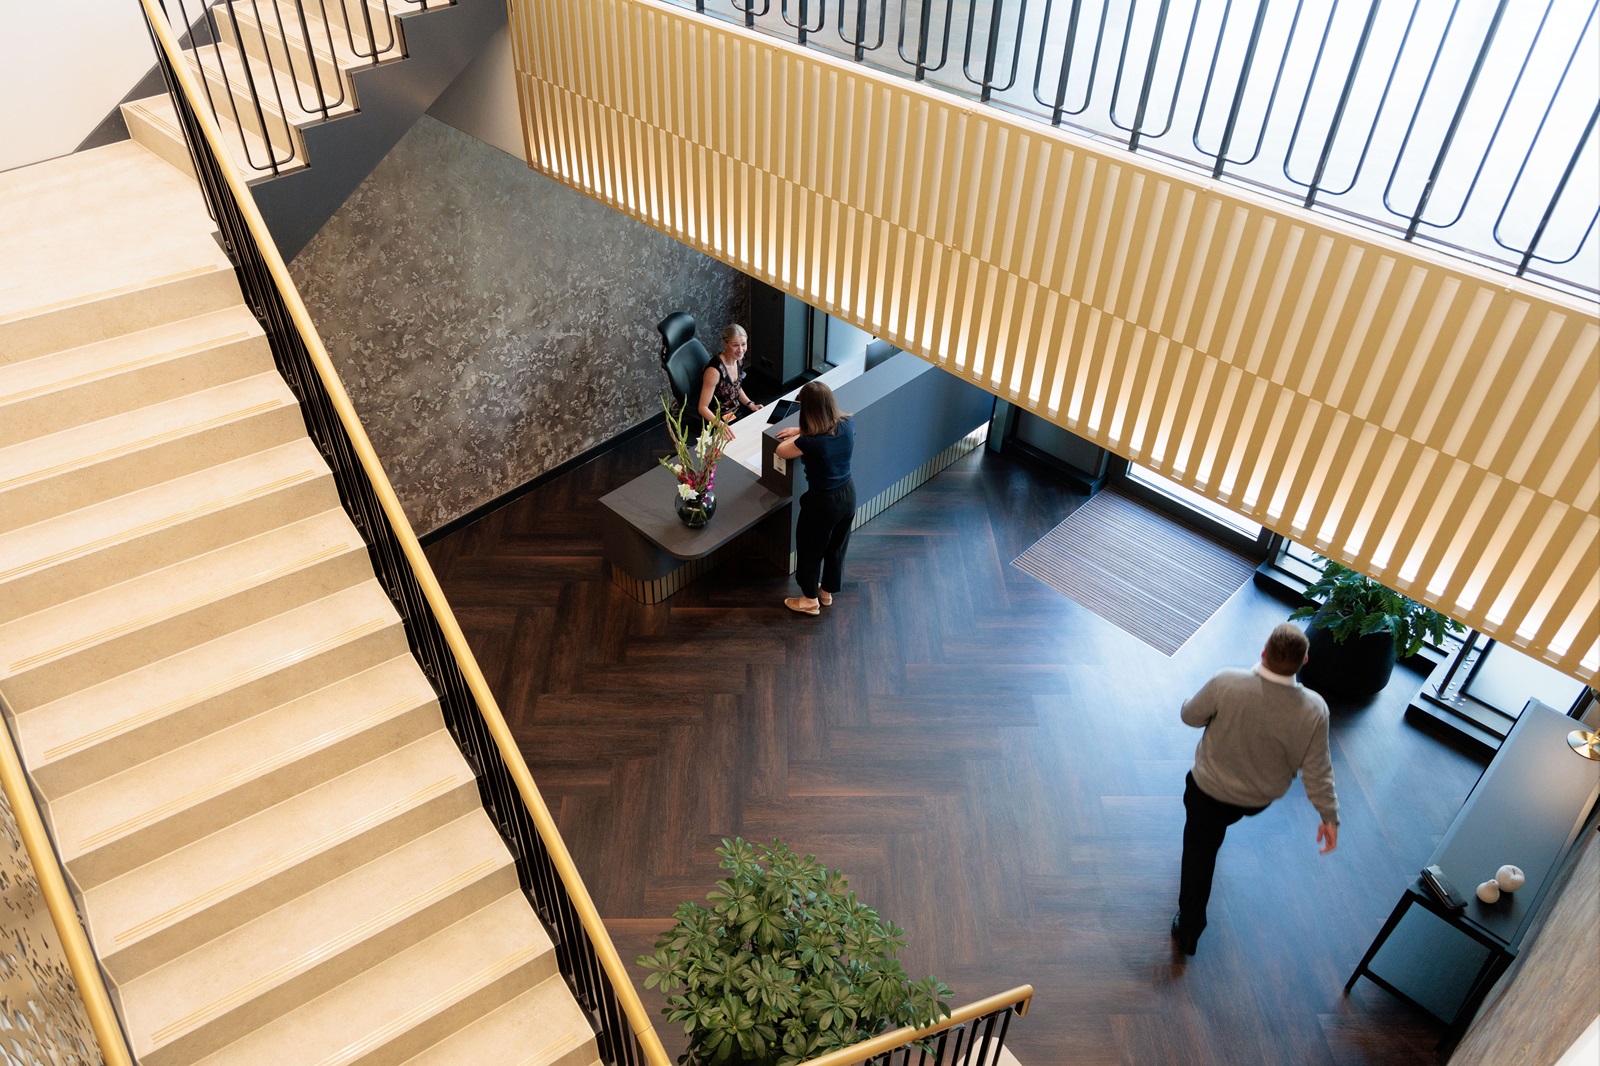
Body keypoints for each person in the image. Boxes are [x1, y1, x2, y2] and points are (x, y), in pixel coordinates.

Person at [1173, 622, 1339, 956]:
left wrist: (1194, 702)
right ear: (1304, 661)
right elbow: (1318, 770)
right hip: (1255, 800)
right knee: (1216, 829)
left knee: (1199, 853)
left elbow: (1190, 717)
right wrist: (1329, 816)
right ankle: (1214, 833)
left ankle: (1190, 929)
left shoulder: (1227, 682)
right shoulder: (1315, 709)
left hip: (1208, 790)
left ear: (1263, 653)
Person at [773, 381, 854, 616]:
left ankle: (809, 599)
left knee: (810, 549)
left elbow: (781, 451)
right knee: (836, 547)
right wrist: (802, 431)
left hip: (822, 503)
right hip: (848, 494)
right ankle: (826, 592)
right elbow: (828, 428)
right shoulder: (848, 424)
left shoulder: (811, 442)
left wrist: (800, 433)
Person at [697, 324, 762, 439]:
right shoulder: (714, 371)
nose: (741, 350)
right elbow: (702, 407)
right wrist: (720, 425)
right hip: (718, 417)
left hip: (735, 409)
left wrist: (750, 404)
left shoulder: (738, 360)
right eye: (735, 345)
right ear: (725, 344)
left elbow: (736, 387)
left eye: (743, 344)